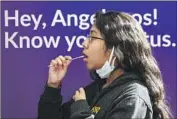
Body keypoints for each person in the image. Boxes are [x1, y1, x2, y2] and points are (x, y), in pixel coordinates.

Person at [38, 11, 172, 119]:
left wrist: (80, 109)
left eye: (92, 37)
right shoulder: (96, 89)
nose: (84, 43)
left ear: (114, 47)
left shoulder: (133, 96)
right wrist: (53, 86)